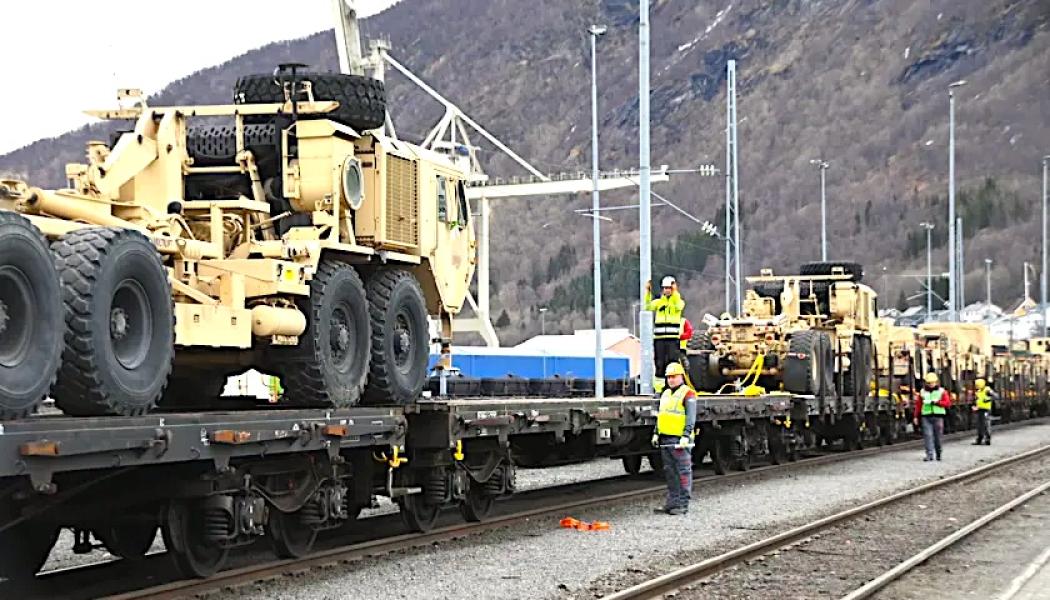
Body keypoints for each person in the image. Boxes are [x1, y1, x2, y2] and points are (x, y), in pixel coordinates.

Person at [651, 362, 697, 515]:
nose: (671, 380)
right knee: (670, 472)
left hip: (679, 441)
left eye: (674, 376)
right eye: (668, 377)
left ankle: (683, 505)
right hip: (666, 439)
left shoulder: (688, 394)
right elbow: (662, 415)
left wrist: (685, 435)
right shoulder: (665, 394)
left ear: (681, 377)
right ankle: (672, 503)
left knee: (683, 472)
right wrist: (656, 433)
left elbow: (691, 417)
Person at [646, 276, 686, 392]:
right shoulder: (659, 303)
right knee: (659, 363)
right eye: (665, 288)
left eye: (669, 288)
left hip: (672, 339)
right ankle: (659, 389)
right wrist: (648, 293)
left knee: (672, 363)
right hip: (659, 339)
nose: (667, 290)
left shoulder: (678, 302)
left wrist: (675, 294)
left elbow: (679, 305)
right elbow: (648, 306)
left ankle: (673, 387)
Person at [913, 372, 951, 461]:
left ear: (936, 382)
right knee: (928, 436)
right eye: (929, 383)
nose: (931, 385)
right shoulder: (922, 392)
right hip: (926, 416)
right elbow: (918, 405)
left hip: (938, 417)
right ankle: (929, 455)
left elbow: (948, 403)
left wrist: (937, 402)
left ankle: (938, 453)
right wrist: (915, 416)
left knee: (938, 437)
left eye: (932, 383)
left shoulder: (942, 391)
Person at [972, 378, 997, 445]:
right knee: (979, 425)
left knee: (986, 424)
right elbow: (977, 400)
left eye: (977, 385)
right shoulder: (978, 391)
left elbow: (995, 396)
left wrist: (988, 400)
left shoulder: (987, 390)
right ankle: (980, 438)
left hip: (986, 409)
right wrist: (975, 405)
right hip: (979, 409)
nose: (976, 386)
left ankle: (987, 439)